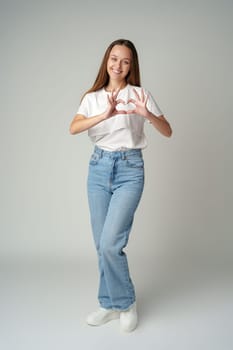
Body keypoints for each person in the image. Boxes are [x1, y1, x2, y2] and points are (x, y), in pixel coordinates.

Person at [70, 38, 172, 332]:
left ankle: (125, 303)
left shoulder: (140, 95)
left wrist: (146, 114)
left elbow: (167, 131)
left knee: (111, 243)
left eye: (125, 61)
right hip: (99, 169)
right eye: (114, 59)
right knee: (101, 244)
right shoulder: (92, 97)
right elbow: (73, 127)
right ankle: (108, 303)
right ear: (106, 61)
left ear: (131, 66)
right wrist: (104, 114)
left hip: (130, 169)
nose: (118, 65)